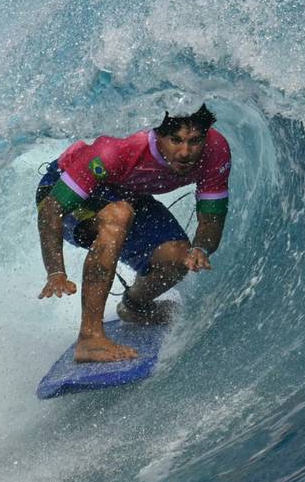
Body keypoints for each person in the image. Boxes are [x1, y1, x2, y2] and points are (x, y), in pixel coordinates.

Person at [35, 104, 231, 362]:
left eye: (194, 141)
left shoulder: (215, 151)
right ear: (158, 134)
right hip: (63, 195)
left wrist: (201, 248)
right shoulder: (119, 148)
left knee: (176, 257)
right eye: (176, 140)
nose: (185, 152)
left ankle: (135, 306)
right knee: (119, 213)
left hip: (127, 193)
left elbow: (212, 219)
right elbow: (51, 209)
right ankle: (89, 339)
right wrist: (56, 272)